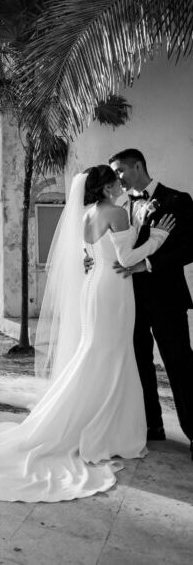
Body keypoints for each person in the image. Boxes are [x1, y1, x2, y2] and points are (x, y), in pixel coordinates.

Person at [0, 166, 174, 502]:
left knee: (99, 351)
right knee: (110, 353)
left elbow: (85, 257)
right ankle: (106, 430)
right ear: (103, 188)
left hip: (95, 287)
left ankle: (92, 421)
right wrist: (158, 236)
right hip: (114, 288)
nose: (120, 185)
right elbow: (126, 257)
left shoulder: (85, 215)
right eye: (115, 182)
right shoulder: (115, 212)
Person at [108, 148, 193, 459]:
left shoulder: (177, 200)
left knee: (181, 364)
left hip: (168, 298)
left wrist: (149, 265)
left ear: (138, 165)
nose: (117, 177)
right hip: (130, 301)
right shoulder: (119, 206)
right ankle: (151, 427)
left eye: (120, 170)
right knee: (140, 364)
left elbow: (189, 248)